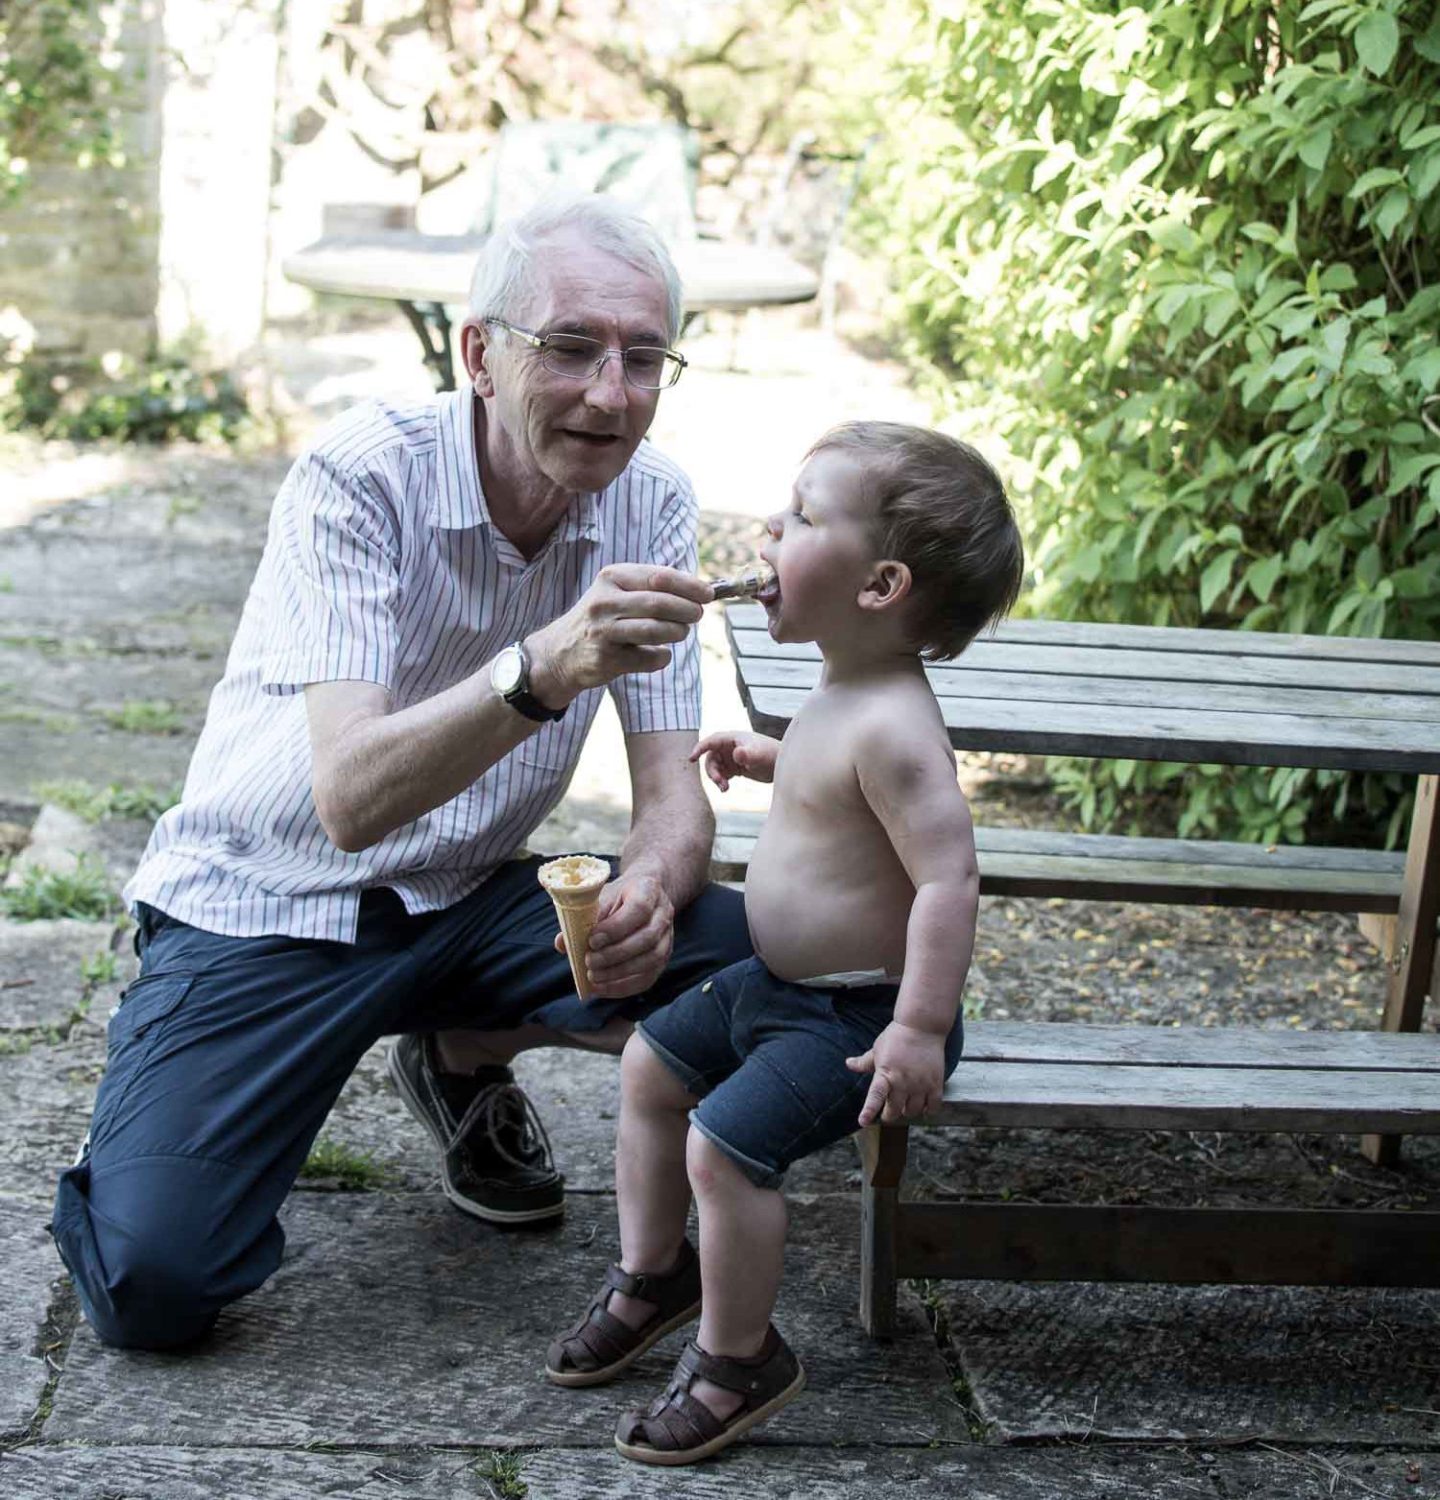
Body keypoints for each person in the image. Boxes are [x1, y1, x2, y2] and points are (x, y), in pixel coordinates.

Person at [50, 192, 753, 1351]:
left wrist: (655, 887)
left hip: (473, 901)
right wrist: (546, 664)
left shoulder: (652, 496)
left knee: (785, 958)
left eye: (644, 357)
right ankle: (169, 1104)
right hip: (270, 902)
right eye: (570, 348)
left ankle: (462, 1054)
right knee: (154, 1287)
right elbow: (351, 801)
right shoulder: (358, 477)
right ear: (478, 352)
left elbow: (673, 795)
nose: (610, 394)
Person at [544, 420, 1025, 1465]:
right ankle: (656, 1271)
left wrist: (918, 1029)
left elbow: (949, 877)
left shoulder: (898, 729)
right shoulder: (846, 683)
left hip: (859, 1014)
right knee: (648, 1068)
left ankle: (737, 1359)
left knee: (724, 1145)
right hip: (779, 982)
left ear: (880, 584)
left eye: (803, 517)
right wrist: (772, 758)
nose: (768, 527)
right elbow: (834, 782)